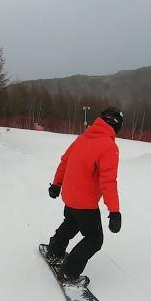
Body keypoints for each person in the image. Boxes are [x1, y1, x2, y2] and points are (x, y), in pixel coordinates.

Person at [45, 107, 123, 286]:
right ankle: (69, 272)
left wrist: (56, 185)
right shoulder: (109, 147)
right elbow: (108, 181)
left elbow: (64, 161)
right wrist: (115, 212)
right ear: (116, 126)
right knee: (94, 239)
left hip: (70, 196)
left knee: (71, 223)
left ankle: (55, 250)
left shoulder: (81, 138)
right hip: (86, 202)